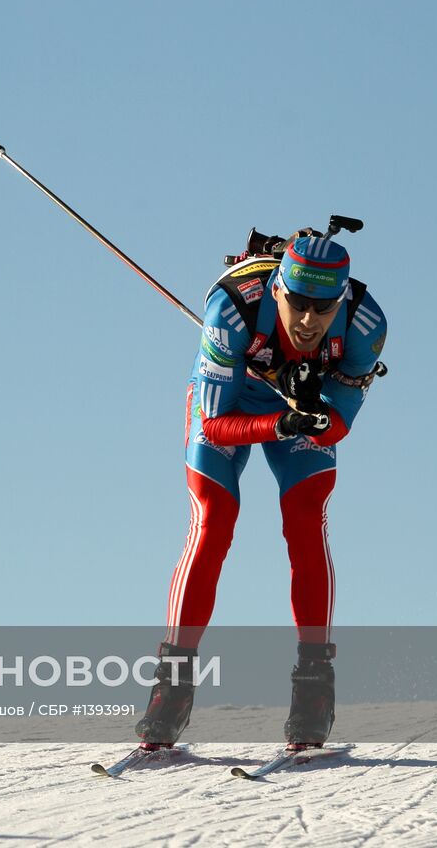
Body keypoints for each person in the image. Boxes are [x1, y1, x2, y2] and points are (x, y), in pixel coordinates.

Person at [134, 232, 387, 749]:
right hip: (232, 405)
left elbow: (340, 425)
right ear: (277, 290)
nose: (310, 320)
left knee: (305, 515)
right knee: (212, 520)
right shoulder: (230, 311)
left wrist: (318, 416)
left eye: (324, 307)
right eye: (298, 303)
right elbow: (218, 423)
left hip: (293, 415)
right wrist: (284, 422)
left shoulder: (365, 325)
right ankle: (172, 685)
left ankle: (314, 685)